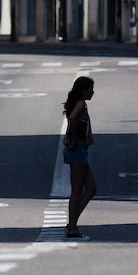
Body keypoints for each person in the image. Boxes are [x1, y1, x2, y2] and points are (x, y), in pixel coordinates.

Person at [62, 76, 96, 239]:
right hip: (76, 150)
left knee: (91, 188)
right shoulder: (81, 103)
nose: (93, 92)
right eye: (91, 89)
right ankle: (72, 226)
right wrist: (75, 139)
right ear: (84, 90)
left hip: (78, 150)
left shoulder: (79, 102)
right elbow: (73, 118)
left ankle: (72, 222)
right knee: (78, 189)